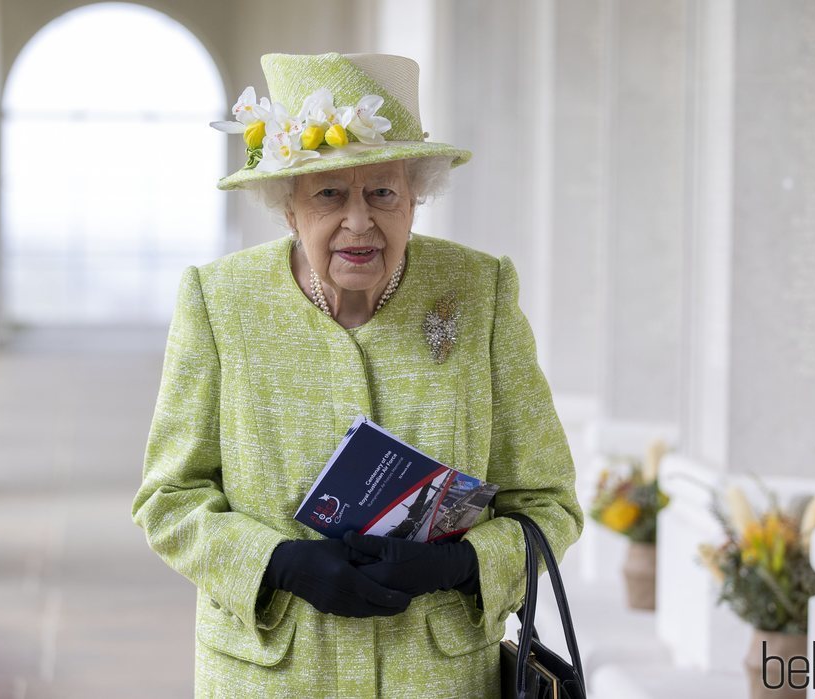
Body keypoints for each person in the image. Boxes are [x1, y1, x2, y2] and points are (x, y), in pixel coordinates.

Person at [131, 51, 583, 698]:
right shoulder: (220, 300)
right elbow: (168, 500)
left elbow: (549, 503)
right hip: (271, 677)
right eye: (329, 193)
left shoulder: (478, 291)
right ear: (288, 206)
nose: (359, 220)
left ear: (415, 198)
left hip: (439, 677)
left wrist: (463, 565)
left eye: (382, 192)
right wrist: (279, 563)